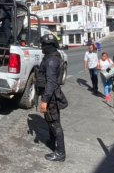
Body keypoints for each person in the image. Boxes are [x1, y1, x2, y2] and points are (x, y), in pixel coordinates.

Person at [38, 34, 67, 162]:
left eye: (44, 45)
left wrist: (44, 100)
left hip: (51, 97)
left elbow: (51, 82)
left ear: (50, 46)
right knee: (50, 121)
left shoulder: (51, 61)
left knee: (55, 124)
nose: (42, 47)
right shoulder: (51, 57)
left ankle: (60, 153)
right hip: (51, 95)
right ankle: (52, 141)